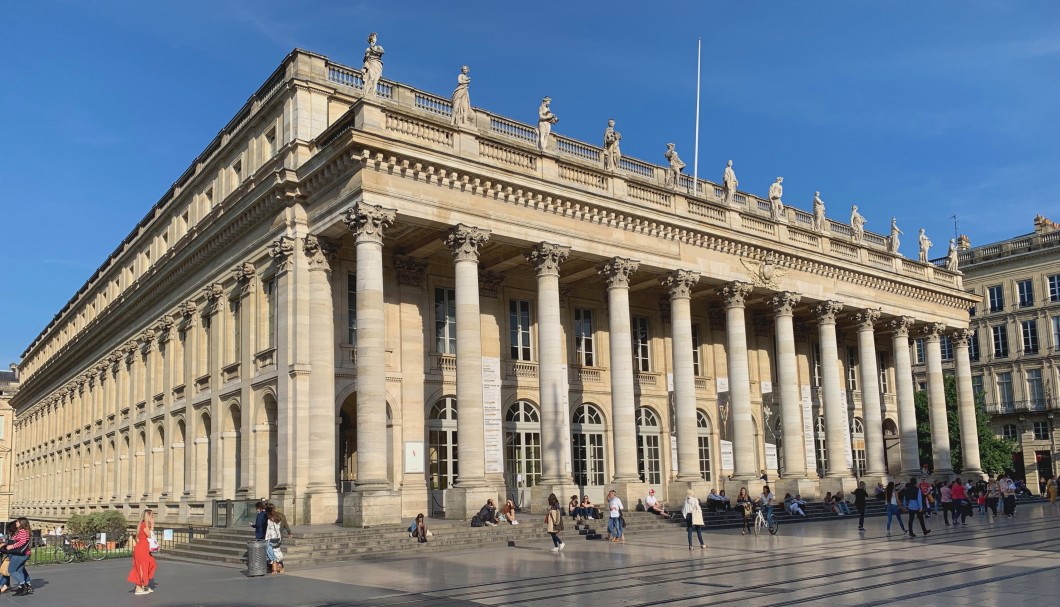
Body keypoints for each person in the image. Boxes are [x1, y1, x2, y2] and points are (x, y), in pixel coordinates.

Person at [127, 510, 157, 595]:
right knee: (141, 567)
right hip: (141, 549)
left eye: (153, 516)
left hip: (144, 548)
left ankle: (144, 584)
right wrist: (153, 525)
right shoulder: (144, 525)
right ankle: (138, 587)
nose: (152, 517)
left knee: (151, 563)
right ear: (147, 516)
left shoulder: (144, 525)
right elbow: (150, 535)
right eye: (151, 516)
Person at [362, 32, 384, 97]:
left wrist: (373, 48)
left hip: (377, 65)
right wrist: (364, 68)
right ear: (371, 40)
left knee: (375, 80)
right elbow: (365, 59)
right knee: (371, 78)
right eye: (374, 38)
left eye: (375, 38)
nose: (375, 39)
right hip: (370, 64)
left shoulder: (379, 47)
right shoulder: (368, 49)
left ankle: (373, 93)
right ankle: (368, 93)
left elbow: (382, 52)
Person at [264, 505, 285, 574]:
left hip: (271, 538)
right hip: (277, 538)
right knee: (276, 551)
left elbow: (268, 531)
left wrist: (266, 539)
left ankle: (275, 568)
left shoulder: (270, 520)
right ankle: (279, 566)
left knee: (270, 553)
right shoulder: (278, 519)